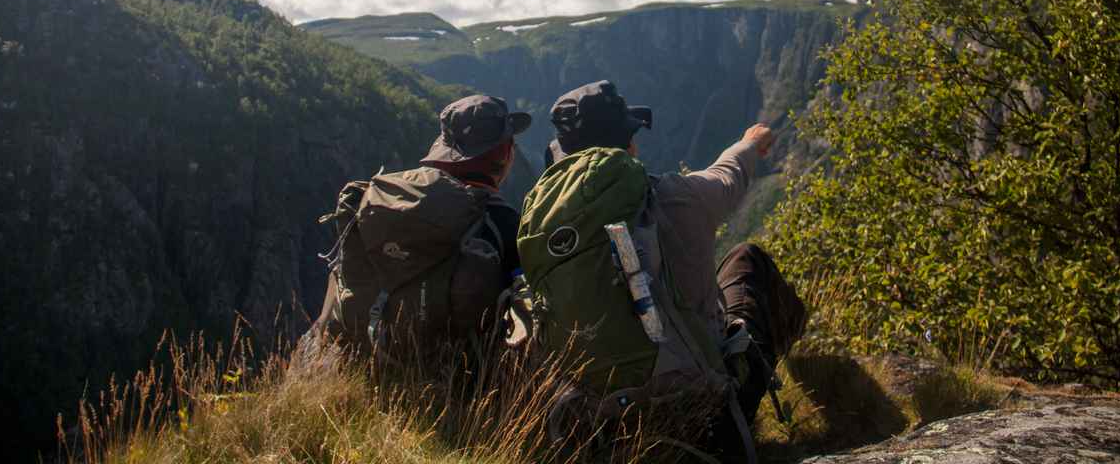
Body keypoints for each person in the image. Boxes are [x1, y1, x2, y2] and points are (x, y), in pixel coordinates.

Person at [524, 80, 805, 461]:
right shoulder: (677, 197)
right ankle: (807, 375)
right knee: (747, 259)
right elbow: (728, 174)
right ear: (629, 146)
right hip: (707, 416)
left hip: (604, 429)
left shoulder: (545, 231)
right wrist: (751, 143)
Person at [305, 94, 531, 359]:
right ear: (505, 153)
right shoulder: (504, 223)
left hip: (367, 356)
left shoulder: (390, 200)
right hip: (460, 373)